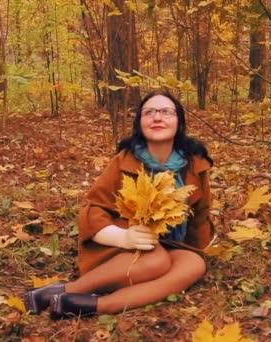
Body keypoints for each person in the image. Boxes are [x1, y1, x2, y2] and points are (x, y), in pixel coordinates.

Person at [26, 89, 214, 319]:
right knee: (157, 259)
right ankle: (62, 291)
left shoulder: (196, 163)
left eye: (166, 112)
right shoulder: (124, 161)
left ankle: (91, 305)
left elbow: (200, 215)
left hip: (169, 244)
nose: (157, 117)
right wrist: (123, 237)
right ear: (140, 123)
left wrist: (199, 250)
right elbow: (92, 208)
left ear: (179, 122)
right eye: (149, 112)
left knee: (194, 265)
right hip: (122, 249)